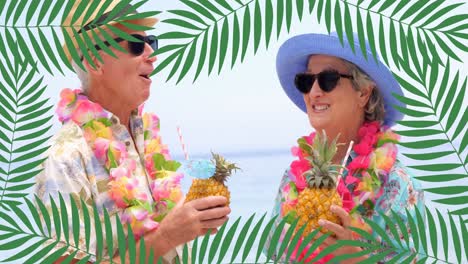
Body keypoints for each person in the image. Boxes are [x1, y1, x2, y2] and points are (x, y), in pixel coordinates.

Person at [34, 1, 230, 263]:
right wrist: (167, 237)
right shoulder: (65, 158)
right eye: (136, 45)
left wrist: (191, 219)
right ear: (95, 60)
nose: (152, 54)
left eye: (151, 42)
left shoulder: (145, 140)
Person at [267, 32, 425, 263]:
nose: (314, 92)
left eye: (328, 79)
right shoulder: (294, 177)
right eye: (307, 80)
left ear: (363, 92)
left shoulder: (398, 184)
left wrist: (358, 260)